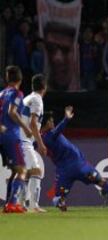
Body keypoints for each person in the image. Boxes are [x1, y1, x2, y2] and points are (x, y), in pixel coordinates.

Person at [41, 106, 108, 211]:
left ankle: (61, 202)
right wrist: (66, 119)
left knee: (58, 196)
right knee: (101, 181)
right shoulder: (50, 135)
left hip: (64, 172)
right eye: (51, 121)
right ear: (46, 123)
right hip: (80, 167)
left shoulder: (41, 139)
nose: (53, 123)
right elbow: (58, 130)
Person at [1, 65, 33, 213]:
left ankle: (8, 204)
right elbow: (12, 112)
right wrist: (25, 128)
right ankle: (12, 204)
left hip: (2, 134)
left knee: (15, 170)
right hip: (11, 136)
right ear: (20, 79)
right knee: (22, 170)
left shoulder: (1, 93)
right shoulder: (17, 94)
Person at [19, 74, 47, 212]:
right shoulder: (37, 100)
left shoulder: (27, 98)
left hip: (19, 140)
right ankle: (34, 206)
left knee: (28, 172)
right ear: (44, 87)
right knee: (36, 170)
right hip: (24, 141)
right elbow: (33, 124)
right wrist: (41, 144)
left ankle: (21, 204)